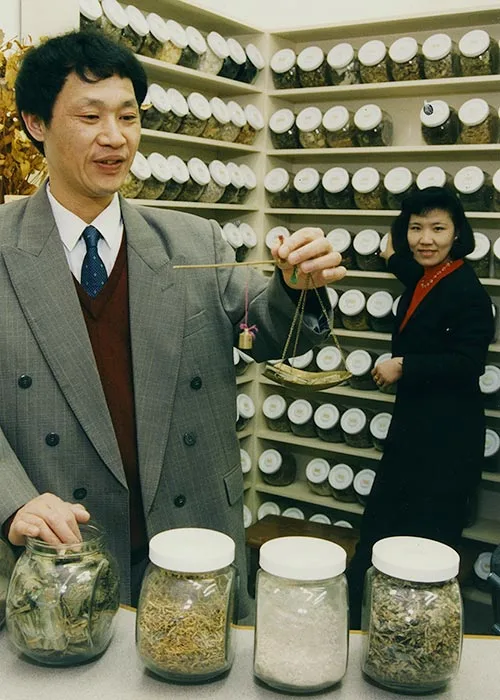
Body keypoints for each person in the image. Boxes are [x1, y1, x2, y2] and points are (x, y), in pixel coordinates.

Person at [0, 31, 345, 613]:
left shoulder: (191, 239)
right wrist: (13, 501)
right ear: (36, 123)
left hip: (191, 535)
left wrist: (295, 287)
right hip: (60, 545)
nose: (116, 138)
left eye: (129, 116)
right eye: (90, 116)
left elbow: (260, 335)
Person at [347, 186, 494, 627]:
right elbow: (410, 272)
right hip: (415, 431)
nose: (425, 239)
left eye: (437, 228)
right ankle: (365, 624)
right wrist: (392, 255)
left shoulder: (468, 291)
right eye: (415, 228)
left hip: (447, 440)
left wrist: (403, 366)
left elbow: (469, 365)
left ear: (457, 234)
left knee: (427, 541)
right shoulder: (428, 277)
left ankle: (416, 635)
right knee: (381, 531)